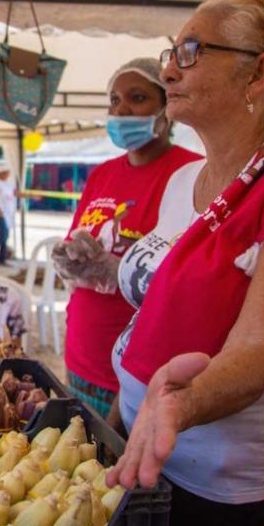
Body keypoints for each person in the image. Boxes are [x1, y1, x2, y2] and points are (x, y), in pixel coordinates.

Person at [104, 0, 264, 526]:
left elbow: (257, 346)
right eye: (171, 51)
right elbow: (152, 309)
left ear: (259, 72)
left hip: (220, 489)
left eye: (192, 51)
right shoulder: (183, 183)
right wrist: (122, 404)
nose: (170, 67)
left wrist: (181, 403)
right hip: (139, 441)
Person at [51, 58, 201, 417]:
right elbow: (79, 240)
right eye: (115, 101)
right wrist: (70, 260)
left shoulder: (192, 174)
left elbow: (192, 280)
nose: (121, 109)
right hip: (82, 355)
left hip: (140, 367)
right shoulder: (102, 174)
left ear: (167, 107)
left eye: (137, 98)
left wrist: (117, 269)